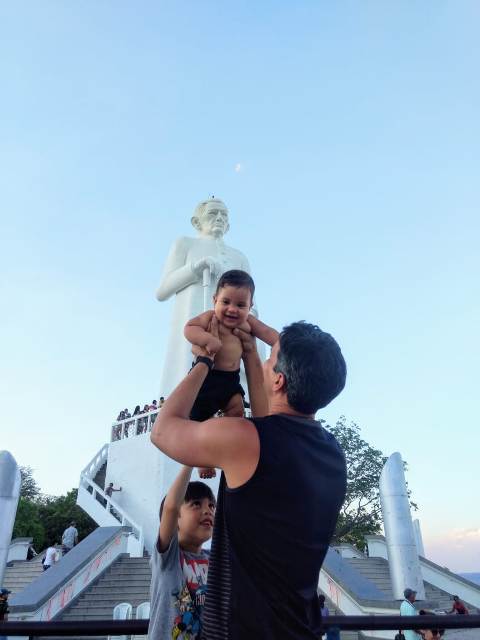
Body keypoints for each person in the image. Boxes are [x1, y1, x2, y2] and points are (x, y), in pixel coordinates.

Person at [151, 319, 347, 639]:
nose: (265, 363)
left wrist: (204, 361)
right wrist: (251, 337)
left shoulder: (245, 439)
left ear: (279, 380)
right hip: (301, 629)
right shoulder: (333, 454)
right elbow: (276, 417)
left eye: (271, 359)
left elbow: (162, 431)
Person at [156, 197, 259, 399]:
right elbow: (162, 291)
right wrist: (195, 268)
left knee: (236, 380)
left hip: (235, 329)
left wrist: (251, 322)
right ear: (197, 222)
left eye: (224, 215)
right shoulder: (186, 244)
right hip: (197, 322)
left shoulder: (239, 257)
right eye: (213, 213)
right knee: (192, 369)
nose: (219, 218)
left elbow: (252, 300)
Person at [184, 270, 277, 477]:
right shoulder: (209, 318)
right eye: (226, 302)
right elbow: (189, 328)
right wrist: (206, 340)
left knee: (236, 410)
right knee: (198, 420)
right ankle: (202, 460)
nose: (232, 309)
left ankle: (231, 443)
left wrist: (283, 345)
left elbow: (268, 333)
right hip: (207, 379)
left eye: (240, 305)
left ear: (250, 307)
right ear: (214, 300)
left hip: (230, 380)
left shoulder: (249, 323)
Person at [147, 465, 215, 640]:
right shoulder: (168, 557)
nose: (208, 510)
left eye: (211, 505)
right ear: (175, 517)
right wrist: (191, 461)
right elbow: (170, 507)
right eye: (196, 504)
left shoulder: (214, 560)